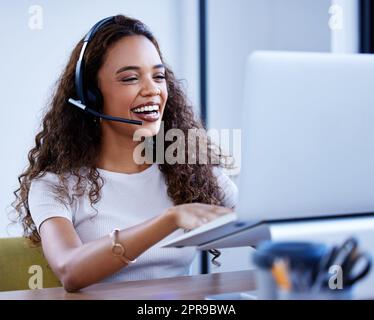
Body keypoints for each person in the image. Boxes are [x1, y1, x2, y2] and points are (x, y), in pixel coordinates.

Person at [12, 15, 238, 292]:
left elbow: (267, 224)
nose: (152, 90)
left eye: (158, 76)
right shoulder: (54, 186)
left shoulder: (189, 170)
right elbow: (70, 269)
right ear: (91, 97)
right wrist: (168, 220)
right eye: (130, 78)